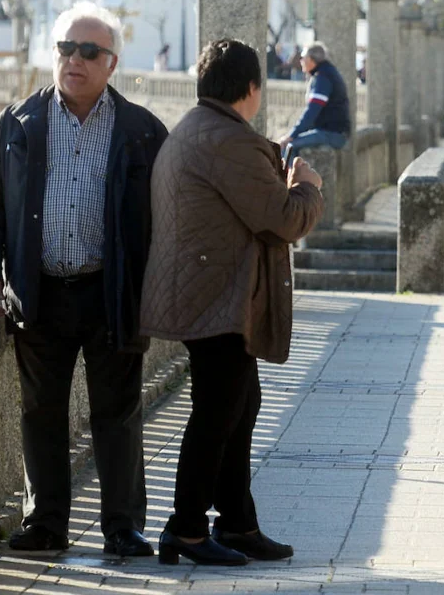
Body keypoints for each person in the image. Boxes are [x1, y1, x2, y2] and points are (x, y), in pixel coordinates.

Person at [0, 2, 168, 556]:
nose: (73, 60)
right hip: (39, 292)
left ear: (112, 63)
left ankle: (122, 527)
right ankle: (46, 524)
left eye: (88, 51)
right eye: (64, 49)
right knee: (41, 413)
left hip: (111, 292)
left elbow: (168, 216)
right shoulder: (17, 123)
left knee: (117, 413)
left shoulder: (142, 131)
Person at [141, 39, 324, 565]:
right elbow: (284, 219)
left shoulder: (197, 128)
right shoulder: (229, 141)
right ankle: (187, 529)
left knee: (240, 406)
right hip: (215, 297)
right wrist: (307, 187)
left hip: (204, 292)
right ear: (251, 89)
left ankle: (238, 524)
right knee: (217, 413)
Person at [278, 42, 351, 161]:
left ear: (311, 59)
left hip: (332, 134)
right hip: (337, 133)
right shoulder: (329, 72)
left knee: (288, 147)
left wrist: (291, 135)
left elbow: (312, 111)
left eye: (302, 57)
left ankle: (291, 180)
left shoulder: (323, 77)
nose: (300, 60)